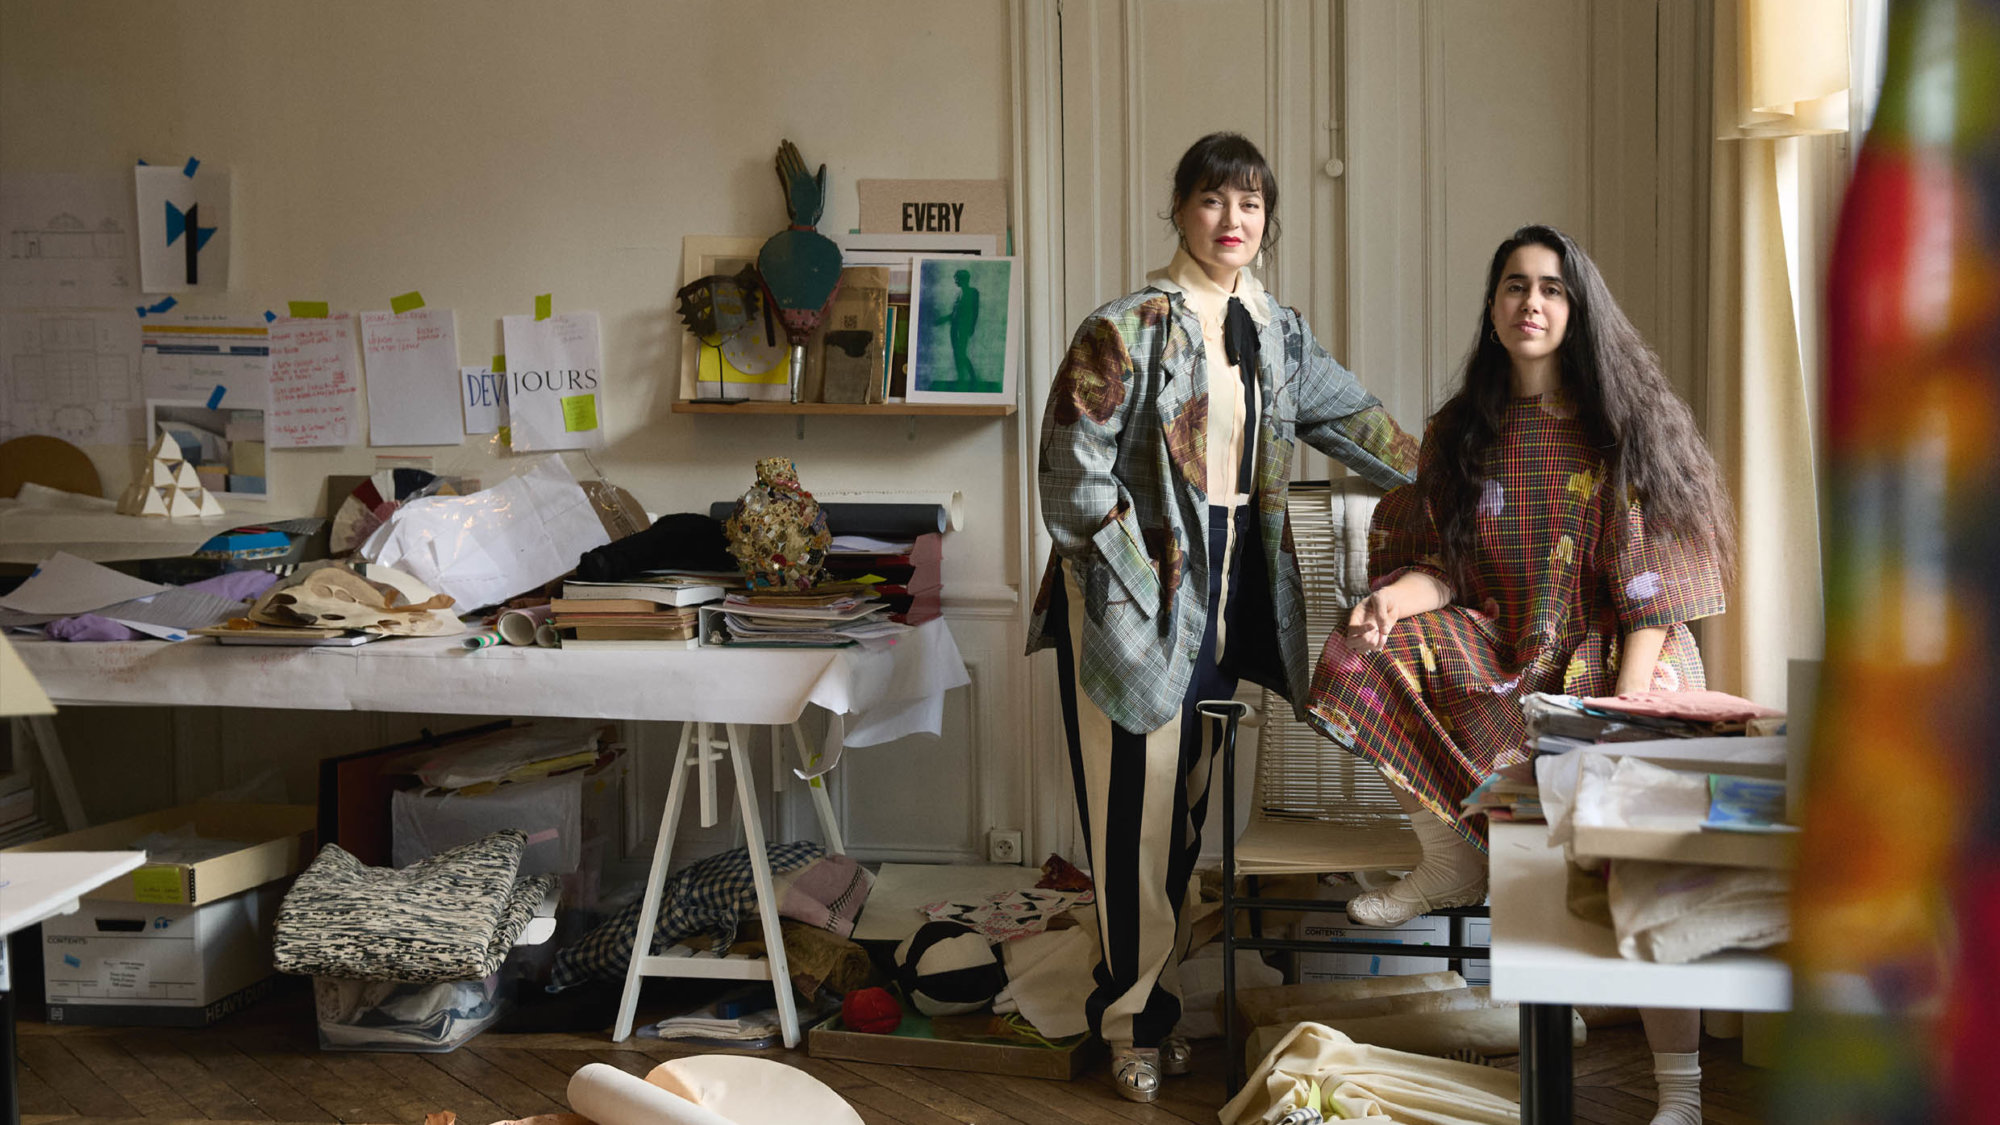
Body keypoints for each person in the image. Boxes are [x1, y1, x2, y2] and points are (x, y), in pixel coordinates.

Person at [1306, 224, 1735, 1125]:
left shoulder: (1620, 428)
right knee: (1360, 648)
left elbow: (1654, 595)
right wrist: (1391, 602)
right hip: (1506, 651)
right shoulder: (1460, 432)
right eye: (1514, 285)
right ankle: (1450, 857)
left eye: (1550, 287)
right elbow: (1441, 568)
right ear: (1493, 305)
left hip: (1620, 655)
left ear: (1577, 310)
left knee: (1642, 867)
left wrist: (1621, 708)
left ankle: (1682, 1094)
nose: (1530, 302)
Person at [1027, 131, 1419, 1103]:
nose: (1231, 219)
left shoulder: (1276, 332)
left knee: (1186, 811)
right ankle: (1131, 1023)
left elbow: (1362, 425)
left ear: (1266, 218)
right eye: (1212, 199)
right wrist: (1142, 582)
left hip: (1232, 588)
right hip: (1131, 598)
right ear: (1178, 209)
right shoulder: (1123, 328)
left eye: (1249, 203)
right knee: (1133, 820)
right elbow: (1071, 478)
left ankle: (1153, 1003)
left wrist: (1458, 492)